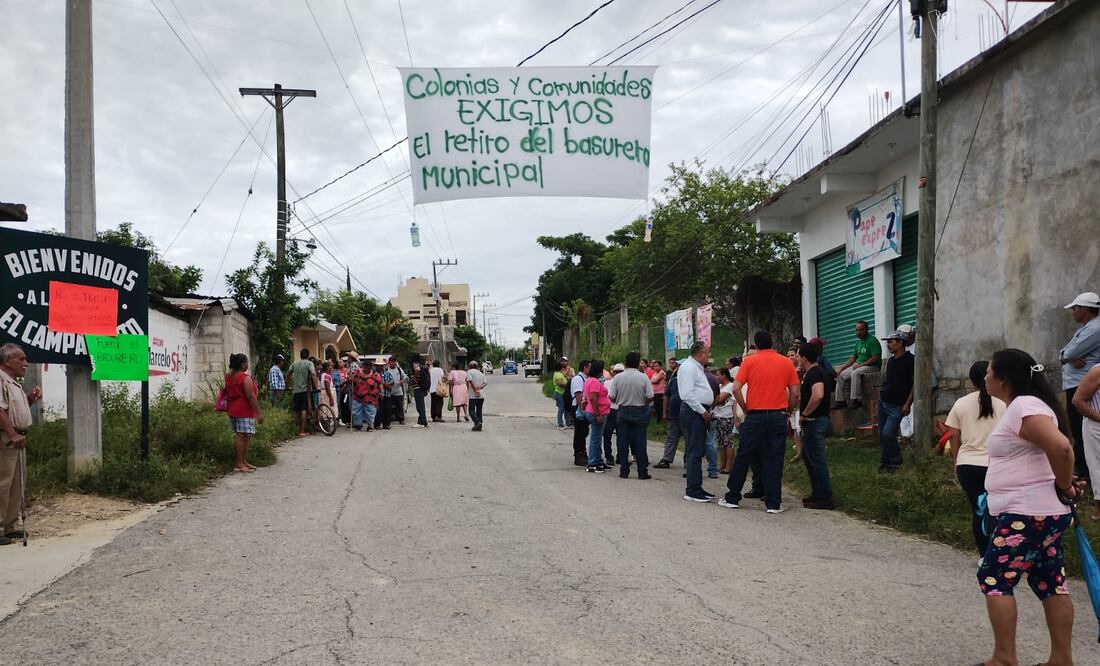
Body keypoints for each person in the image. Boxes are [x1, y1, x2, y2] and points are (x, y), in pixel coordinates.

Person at [977, 348, 1080, 666]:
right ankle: (1061, 660)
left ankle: (1004, 659)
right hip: (1040, 513)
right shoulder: (1028, 405)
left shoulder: (1024, 405)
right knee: (1050, 581)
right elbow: (1056, 450)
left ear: (1003, 379)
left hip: (1027, 514)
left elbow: (1061, 448)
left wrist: (1066, 486)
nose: (985, 376)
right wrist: (1062, 484)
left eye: (989, 371)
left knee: (994, 577)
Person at [718, 331, 799, 514]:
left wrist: (745, 407)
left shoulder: (750, 362)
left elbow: (736, 388)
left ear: (756, 344)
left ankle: (732, 497)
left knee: (744, 455)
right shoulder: (785, 362)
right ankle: (773, 503)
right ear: (772, 343)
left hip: (755, 415)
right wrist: (789, 410)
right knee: (774, 457)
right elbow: (795, 393)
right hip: (778, 415)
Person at [945, 361, 1006, 553]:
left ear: (972, 381)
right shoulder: (1003, 404)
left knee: (978, 510)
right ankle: (999, 553)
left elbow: (953, 435)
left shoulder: (961, 403)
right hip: (996, 465)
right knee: (998, 511)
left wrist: (956, 460)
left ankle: (983, 553)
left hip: (968, 465)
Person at [0, 343, 40, 545]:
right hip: (7, 438)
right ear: (8, 361)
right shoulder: (0, 379)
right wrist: (12, 434)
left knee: (17, 483)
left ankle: (10, 526)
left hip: (18, 437)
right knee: (3, 482)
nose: (26, 363)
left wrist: (30, 399)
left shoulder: (13, 383)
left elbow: (14, 409)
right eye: (21, 359)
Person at [1059, 291, 1100, 480]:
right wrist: (1067, 356)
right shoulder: (1086, 328)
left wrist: (1067, 356)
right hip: (1077, 382)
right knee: (1077, 428)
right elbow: (1065, 353)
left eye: (1075, 308)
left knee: (1083, 428)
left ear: (1084, 309)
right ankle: (1084, 468)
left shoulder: (1095, 329)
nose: (1072, 312)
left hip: (1082, 384)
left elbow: (1069, 353)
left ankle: (1085, 471)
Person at [796, 343, 834, 510]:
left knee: (817, 459)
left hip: (815, 420)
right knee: (809, 456)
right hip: (813, 421)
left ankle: (824, 496)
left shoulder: (815, 373)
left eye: (798, 356)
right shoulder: (811, 373)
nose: (797, 359)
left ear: (804, 358)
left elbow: (818, 395)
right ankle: (817, 492)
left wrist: (805, 414)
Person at [679, 342, 716, 502]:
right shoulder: (689, 367)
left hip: (699, 410)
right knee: (694, 451)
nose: (708, 356)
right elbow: (687, 394)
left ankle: (697, 485)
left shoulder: (696, 367)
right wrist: (702, 411)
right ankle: (692, 490)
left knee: (698, 450)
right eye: (707, 353)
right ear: (700, 354)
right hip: (694, 411)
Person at [609, 353, 654, 479]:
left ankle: (624, 470)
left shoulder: (618, 378)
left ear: (625, 363)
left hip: (622, 410)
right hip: (640, 410)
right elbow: (650, 396)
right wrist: (644, 403)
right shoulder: (644, 377)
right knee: (640, 442)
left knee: (622, 441)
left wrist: (621, 400)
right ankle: (642, 471)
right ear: (638, 363)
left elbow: (612, 397)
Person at [877, 329, 915, 472]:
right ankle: (885, 462)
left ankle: (896, 461)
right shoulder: (891, 361)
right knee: (882, 434)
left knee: (888, 433)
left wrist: (908, 403)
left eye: (891, 342)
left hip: (897, 405)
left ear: (900, 343)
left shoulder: (911, 360)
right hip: (883, 402)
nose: (888, 345)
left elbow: (915, 384)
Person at [1072, 363, 1100, 520]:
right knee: (1097, 467)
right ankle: (1098, 509)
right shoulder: (1097, 371)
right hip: (1096, 425)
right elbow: (1078, 400)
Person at [225, 353, 262, 473]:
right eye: (246, 362)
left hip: (233, 409)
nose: (248, 365)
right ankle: (239, 463)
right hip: (244, 410)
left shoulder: (229, 376)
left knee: (245, 436)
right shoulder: (244, 378)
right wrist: (259, 412)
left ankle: (243, 461)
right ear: (242, 365)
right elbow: (250, 396)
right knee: (241, 436)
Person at [833, 320, 882, 409]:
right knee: (841, 374)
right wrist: (842, 368)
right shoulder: (858, 343)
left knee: (855, 373)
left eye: (861, 330)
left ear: (867, 329)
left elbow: (876, 357)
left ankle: (855, 400)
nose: (859, 332)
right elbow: (853, 358)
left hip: (873, 366)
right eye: (857, 330)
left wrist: (861, 365)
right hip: (860, 366)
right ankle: (840, 401)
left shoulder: (872, 340)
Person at [583, 360, 611, 473]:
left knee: (598, 438)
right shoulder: (594, 382)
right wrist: (598, 414)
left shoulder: (589, 380)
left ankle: (598, 460)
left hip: (593, 411)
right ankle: (592, 463)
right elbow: (593, 398)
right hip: (597, 413)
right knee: (596, 439)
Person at [656, 358, 682, 468]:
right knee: (671, 437)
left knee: (689, 438)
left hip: (687, 415)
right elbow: (666, 396)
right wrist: (664, 413)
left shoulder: (692, 382)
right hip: (673, 413)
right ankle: (666, 459)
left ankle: (689, 462)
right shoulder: (673, 381)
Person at [713, 368, 738, 475]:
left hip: (726, 417)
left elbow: (719, 399)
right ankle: (722, 464)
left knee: (727, 442)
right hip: (718, 415)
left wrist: (715, 399)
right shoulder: (719, 386)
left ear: (724, 375)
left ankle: (728, 466)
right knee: (721, 442)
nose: (716, 377)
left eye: (718, 375)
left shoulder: (730, 386)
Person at [286, 349, 315, 436]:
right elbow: (313, 373)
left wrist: (287, 385)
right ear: (308, 356)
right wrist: (316, 385)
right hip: (305, 390)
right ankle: (302, 431)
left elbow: (287, 374)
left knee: (296, 410)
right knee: (304, 410)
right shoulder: (309, 363)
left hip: (296, 391)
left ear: (300, 355)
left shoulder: (294, 364)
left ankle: (295, 430)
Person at [350, 361, 382, 431]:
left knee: (370, 412)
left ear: (371, 368)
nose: (367, 370)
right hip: (358, 396)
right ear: (363, 367)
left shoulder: (375, 375)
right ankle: (357, 425)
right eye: (365, 368)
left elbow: (380, 383)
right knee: (356, 412)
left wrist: (382, 392)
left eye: (368, 368)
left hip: (371, 398)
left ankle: (370, 426)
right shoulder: (357, 373)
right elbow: (351, 380)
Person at [570, 360, 591, 467]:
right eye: (589, 367)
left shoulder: (586, 378)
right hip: (578, 408)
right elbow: (578, 395)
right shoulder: (578, 379)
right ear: (585, 368)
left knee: (583, 432)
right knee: (579, 433)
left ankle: (583, 452)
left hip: (583, 408)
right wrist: (582, 410)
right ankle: (578, 454)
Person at [602, 364, 621, 466]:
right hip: (612, 410)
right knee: (609, 434)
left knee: (620, 435)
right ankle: (610, 456)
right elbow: (608, 397)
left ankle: (617, 456)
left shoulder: (608, 383)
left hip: (617, 410)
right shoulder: (607, 383)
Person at [383, 356, 407, 426]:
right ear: (389, 362)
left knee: (399, 406)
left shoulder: (399, 369)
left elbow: (404, 377)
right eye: (392, 361)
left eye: (394, 361)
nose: (393, 363)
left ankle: (401, 419)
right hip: (389, 392)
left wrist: (402, 381)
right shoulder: (386, 370)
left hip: (398, 391)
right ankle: (388, 420)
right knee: (388, 407)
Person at [466, 361, 487, 431]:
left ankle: (477, 422)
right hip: (481, 395)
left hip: (473, 395)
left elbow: (470, 381)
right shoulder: (481, 373)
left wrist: (475, 390)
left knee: (471, 410)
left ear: (469, 366)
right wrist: (479, 388)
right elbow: (485, 383)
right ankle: (479, 425)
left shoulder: (469, 372)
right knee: (479, 410)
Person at [412, 362, 431, 428]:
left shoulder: (417, 368)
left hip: (418, 389)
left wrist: (414, 377)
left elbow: (417, 372)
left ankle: (422, 422)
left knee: (420, 406)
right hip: (420, 389)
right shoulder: (422, 368)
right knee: (421, 406)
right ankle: (423, 421)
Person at [553, 359, 569, 429]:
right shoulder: (558, 375)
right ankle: (560, 424)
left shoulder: (558, 373)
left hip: (560, 392)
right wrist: (566, 386)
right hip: (560, 392)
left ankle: (563, 422)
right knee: (561, 408)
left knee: (562, 408)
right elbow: (560, 383)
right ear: (561, 368)